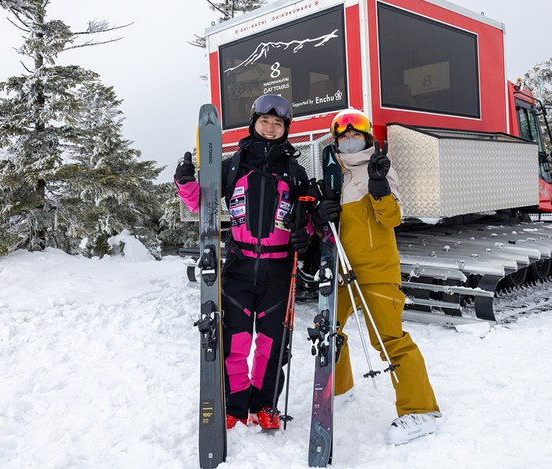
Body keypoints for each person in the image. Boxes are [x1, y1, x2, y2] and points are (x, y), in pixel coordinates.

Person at [175, 94, 312, 430]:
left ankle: (264, 405)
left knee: (271, 346)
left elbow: (307, 219)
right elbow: (201, 206)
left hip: (278, 271)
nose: (270, 127)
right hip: (239, 266)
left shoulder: (295, 173)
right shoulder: (232, 166)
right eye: (264, 121)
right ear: (253, 123)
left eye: (277, 123)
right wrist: (186, 182)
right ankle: (235, 407)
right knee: (235, 341)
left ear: (285, 128)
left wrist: (305, 235)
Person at [312, 108, 441, 445]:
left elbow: (392, 219)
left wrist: (380, 188)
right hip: (340, 268)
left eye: (356, 134)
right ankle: (340, 390)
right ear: (337, 139)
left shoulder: (378, 168)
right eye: (343, 135)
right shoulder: (331, 172)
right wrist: (320, 214)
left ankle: (421, 411)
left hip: (376, 270)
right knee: (329, 331)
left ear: (366, 137)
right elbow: (330, 227)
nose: (350, 139)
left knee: (389, 339)